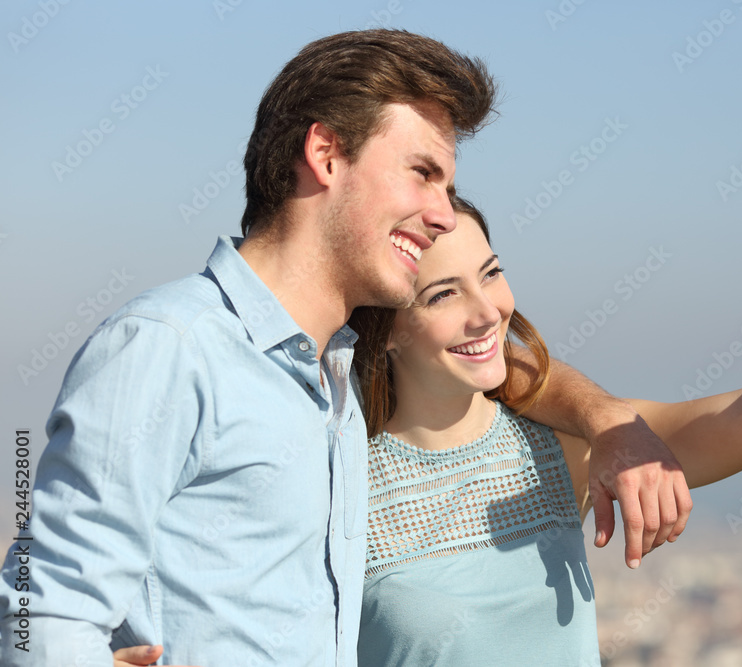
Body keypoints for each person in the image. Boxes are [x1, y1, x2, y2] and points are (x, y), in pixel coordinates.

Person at [0, 30, 691, 666]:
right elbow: (38, 601)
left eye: (447, 185)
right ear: (326, 155)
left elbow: (494, 362)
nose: (444, 212)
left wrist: (605, 416)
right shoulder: (169, 347)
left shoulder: (336, 382)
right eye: (422, 173)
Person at [345, 188, 742, 665]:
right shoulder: (340, 479)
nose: (488, 312)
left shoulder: (560, 450)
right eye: (443, 295)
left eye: (490, 272)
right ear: (390, 326)